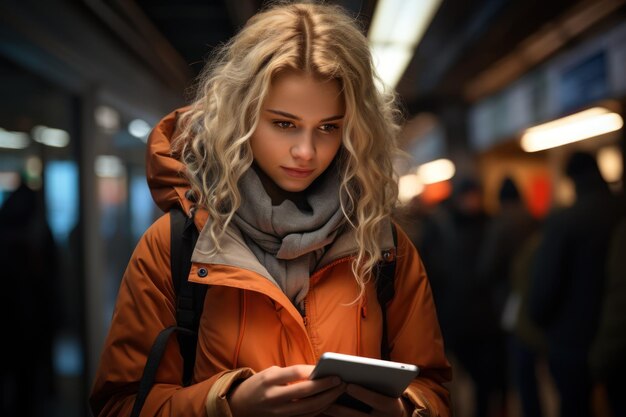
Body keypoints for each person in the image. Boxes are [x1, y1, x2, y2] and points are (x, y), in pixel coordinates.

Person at [89, 3, 452, 417]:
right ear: (241, 115)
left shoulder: (384, 246)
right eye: (284, 123)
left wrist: (407, 411)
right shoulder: (173, 246)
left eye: (329, 127)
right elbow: (118, 405)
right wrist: (226, 404)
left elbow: (433, 387)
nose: (306, 152)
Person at [528, 151, 622, 417]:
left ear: (572, 180)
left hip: (573, 343)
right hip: (619, 342)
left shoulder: (564, 222)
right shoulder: (620, 212)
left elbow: (545, 288)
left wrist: (540, 322)